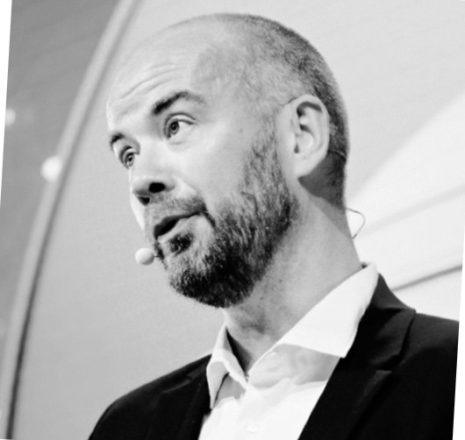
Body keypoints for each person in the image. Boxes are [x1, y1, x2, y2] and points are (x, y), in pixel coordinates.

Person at [89, 13, 458, 440]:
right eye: (128, 155)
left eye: (176, 126)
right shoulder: (127, 427)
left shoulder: (450, 380)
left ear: (301, 135)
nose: (140, 182)